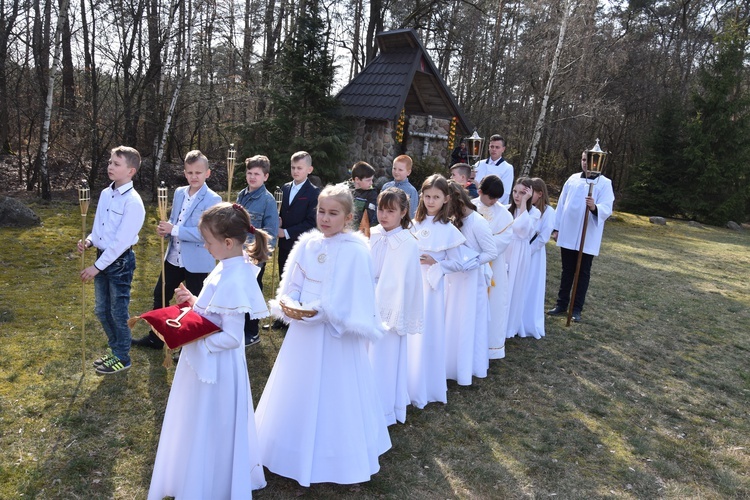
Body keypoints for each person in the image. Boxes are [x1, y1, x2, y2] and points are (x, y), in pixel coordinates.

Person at [256, 184, 390, 487]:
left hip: (334, 336)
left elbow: (356, 294)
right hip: (304, 334)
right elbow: (293, 281)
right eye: (321, 211)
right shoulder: (307, 244)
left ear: (347, 217)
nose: (325, 218)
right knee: (298, 387)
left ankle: (338, 457)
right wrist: (289, 302)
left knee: (335, 393)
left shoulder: (356, 250)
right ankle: (288, 451)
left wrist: (326, 312)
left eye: (333, 213)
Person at [148, 203, 269, 499]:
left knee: (212, 423)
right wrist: (194, 301)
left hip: (218, 370)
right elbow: (214, 308)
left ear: (227, 243)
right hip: (207, 364)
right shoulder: (227, 264)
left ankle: (212, 482)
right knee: (196, 420)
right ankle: (193, 474)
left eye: (208, 241)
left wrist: (194, 339)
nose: (204, 245)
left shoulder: (236, 276)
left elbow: (231, 336)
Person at [132, 150, 221, 350]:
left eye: (198, 172)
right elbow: (175, 219)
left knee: (195, 303)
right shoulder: (180, 192)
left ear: (208, 173)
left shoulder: (213, 199)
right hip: (174, 256)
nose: (193, 176)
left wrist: (175, 230)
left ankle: (191, 344)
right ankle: (156, 338)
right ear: (184, 172)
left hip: (197, 260)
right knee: (160, 295)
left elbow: (207, 234)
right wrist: (166, 229)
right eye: (189, 172)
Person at [78, 146, 145, 375]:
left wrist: (96, 267)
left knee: (118, 312)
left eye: (116, 164)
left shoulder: (133, 203)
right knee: (101, 310)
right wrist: (88, 241)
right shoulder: (106, 194)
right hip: (102, 258)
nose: (110, 167)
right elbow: (101, 228)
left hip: (119, 263)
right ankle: (115, 350)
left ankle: (123, 358)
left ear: (131, 171)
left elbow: (119, 243)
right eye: (110, 162)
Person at [408, 174, 468, 408]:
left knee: (427, 334)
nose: (431, 201)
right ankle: (407, 379)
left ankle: (425, 384)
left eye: (436, 197)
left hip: (432, 288)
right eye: (427, 196)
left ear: (446, 199)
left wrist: (436, 262)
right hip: (412, 284)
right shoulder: (413, 223)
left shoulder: (449, 229)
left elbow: (459, 262)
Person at [367, 187, 424, 425]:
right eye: (381, 209)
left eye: (391, 211)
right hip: (367, 299)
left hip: (391, 308)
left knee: (384, 359)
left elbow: (408, 282)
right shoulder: (371, 234)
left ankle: (382, 408)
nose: (384, 215)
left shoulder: (408, 242)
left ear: (403, 212)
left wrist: (392, 307)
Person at [548, 151, 615, 323]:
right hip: (569, 232)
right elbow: (562, 203)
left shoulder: (605, 183)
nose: (586, 163)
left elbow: (607, 207)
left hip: (588, 234)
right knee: (567, 270)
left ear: (598, 163)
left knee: (583, 272)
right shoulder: (573, 179)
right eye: (584, 159)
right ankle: (562, 303)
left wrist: (594, 207)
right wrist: (556, 227)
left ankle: (576, 308)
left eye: (590, 160)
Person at [445, 181, 496, 384]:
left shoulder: (477, 222)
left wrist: (469, 263)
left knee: (468, 322)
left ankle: (468, 366)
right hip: (455, 278)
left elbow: (491, 252)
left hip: (472, 278)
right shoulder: (455, 220)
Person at [267, 151, 320, 330]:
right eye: (293, 168)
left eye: (300, 168)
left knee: (297, 278)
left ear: (309, 169)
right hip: (284, 243)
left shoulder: (313, 193)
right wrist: (278, 219)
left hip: (300, 243)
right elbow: (281, 211)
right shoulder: (284, 188)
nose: (296, 171)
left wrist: (287, 232)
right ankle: (282, 316)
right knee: (283, 276)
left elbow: (311, 223)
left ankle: (295, 314)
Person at [236, 154, 279, 346]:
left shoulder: (267, 200)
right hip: (237, 250)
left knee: (251, 291)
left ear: (265, 177)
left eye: (257, 174)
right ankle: (239, 326)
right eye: (250, 173)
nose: (252, 177)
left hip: (254, 253)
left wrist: (262, 253)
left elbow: (270, 231)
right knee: (238, 290)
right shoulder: (242, 195)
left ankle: (252, 331)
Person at [473, 175, 514, 359]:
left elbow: (504, 239)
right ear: (480, 191)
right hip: (470, 264)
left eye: (498, 198)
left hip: (493, 266)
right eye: (491, 198)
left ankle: (490, 347)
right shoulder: (470, 207)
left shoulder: (504, 215)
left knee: (494, 305)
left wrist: (484, 248)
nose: (495, 202)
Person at [520, 178, 555, 338]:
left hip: (534, 254)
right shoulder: (525, 208)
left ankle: (527, 321)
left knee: (530, 285)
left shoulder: (548, 212)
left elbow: (543, 238)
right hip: (519, 251)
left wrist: (527, 251)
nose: (525, 195)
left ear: (540, 194)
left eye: (529, 192)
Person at [504, 177, 539, 339]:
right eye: (515, 192)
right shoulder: (505, 209)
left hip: (520, 252)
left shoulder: (534, 212)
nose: (517, 196)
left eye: (522, 193)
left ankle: (509, 326)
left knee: (514, 286)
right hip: (505, 249)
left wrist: (524, 203)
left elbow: (523, 230)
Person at [473, 134, 514, 205]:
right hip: (477, 203)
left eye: (497, 147)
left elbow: (505, 192)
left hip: (496, 206)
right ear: (489, 147)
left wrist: (490, 203)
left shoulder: (507, 168)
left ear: (503, 149)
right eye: (492, 146)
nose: (494, 149)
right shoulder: (479, 164)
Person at [349, 160, 379, 231]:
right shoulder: (347, 190)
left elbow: (368, 216)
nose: (371, 183)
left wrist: (350, 215)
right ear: (357, 179)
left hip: (362, 231)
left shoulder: (372, 194)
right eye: (368, 180)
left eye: (372, 180)